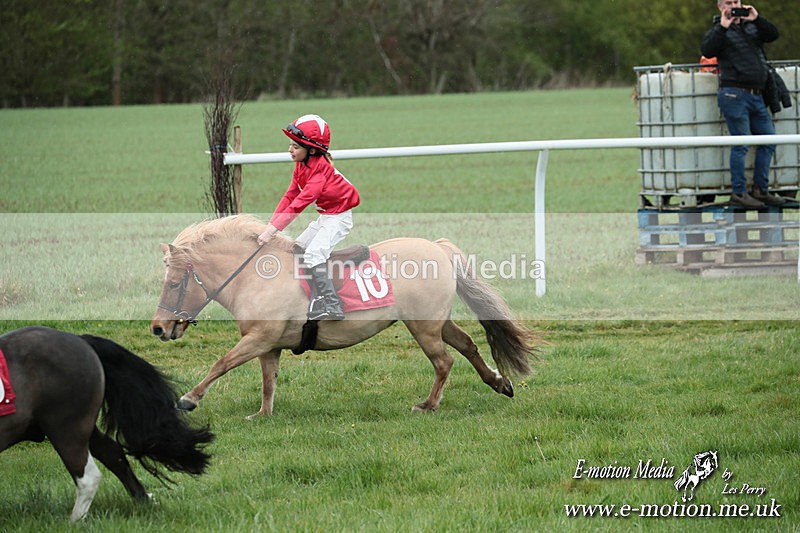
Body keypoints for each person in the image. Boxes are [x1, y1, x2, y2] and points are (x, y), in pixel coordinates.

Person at [257, 114, 360, 320]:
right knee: (298, 249)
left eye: (295, 147)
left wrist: (272, 231)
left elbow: (299, 204)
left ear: (311, 150)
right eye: (290, 145)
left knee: (313, 255)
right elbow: (290, 195)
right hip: (326, 216)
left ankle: (333, 305)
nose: (290, 150)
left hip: (339, 218)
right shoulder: (302, 166)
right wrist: (270, 224)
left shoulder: (320, 173)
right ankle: (312, 296)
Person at [701, 1, 786, 208]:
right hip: (734, 94)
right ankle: (739, 192)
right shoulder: (717, 29)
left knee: (769, 141)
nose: (733, 6)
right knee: (741, 144)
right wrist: (723, 26)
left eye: (736, 1)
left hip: (757, 94)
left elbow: (773, 35)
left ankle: (760, 189)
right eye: (728, 2)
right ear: (720, 6)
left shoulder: (752, 25)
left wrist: (757, 18)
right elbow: (707, 49)